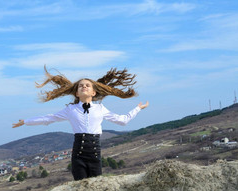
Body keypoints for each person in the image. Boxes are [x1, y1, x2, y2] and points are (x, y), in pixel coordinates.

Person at [13, 66, 149, 181]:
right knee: (80, 187)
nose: (84, 86)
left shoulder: (100, 108)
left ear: (94, 92)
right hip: (78, 154)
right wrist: (26, 122)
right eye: (81, 86)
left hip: (95, 153)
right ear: (77, 93)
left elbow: (123, 120)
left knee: (96, 187)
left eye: (87, 85)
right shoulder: (70, 109)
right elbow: (49, 118)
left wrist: (138, 108)